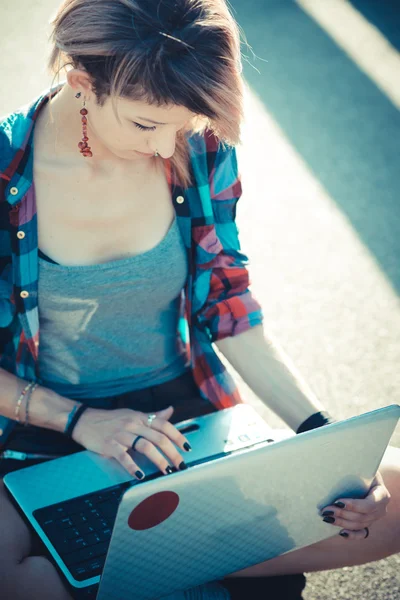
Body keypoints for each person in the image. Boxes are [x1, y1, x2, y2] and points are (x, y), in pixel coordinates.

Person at [0, 0, 399, 598]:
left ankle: (123, 564)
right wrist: (81, 421)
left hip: (187, 418)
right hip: (39, 423)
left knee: (389, 497)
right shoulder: (6, 174)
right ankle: (185, 555)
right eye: (144, 125)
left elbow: (229, 305)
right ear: (82, 84)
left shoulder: (203, 145)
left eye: (181, 126)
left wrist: (322, 440)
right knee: (13, 579)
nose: (167, 150)